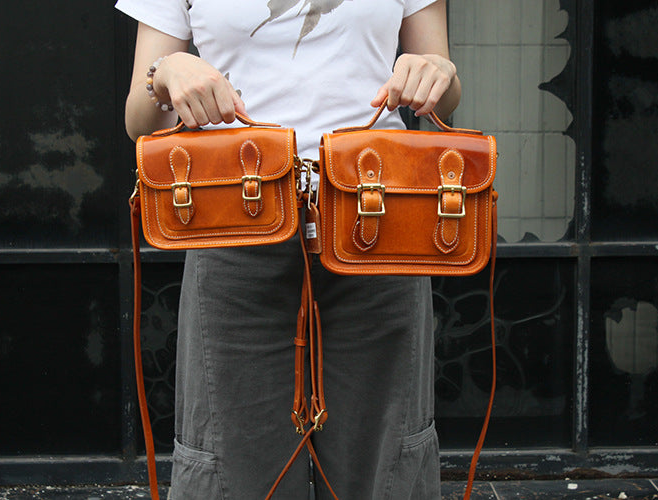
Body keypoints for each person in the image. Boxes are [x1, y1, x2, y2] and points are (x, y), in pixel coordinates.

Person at [116, 1, 461, 498]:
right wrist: (166, 71)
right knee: (234, 464)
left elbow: (444, 97)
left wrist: (437, 72)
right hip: (236, 217)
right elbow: (139, 121)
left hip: (375, 217)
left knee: (382, 462)